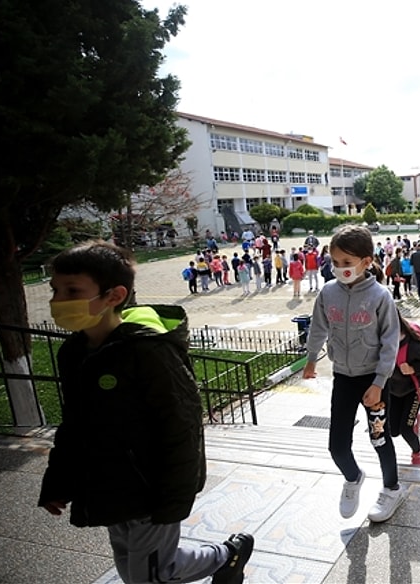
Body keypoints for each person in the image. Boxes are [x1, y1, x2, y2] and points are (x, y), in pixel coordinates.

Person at [38, 241, 254, 584]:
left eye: (72, 291)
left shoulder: (149, 352)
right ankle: (226, 556)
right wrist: (59, 480)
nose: (57, 301)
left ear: (114, 295)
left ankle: (226, 554)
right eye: (55, 290)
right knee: (133, 567)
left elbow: (182, 426)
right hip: (110, 487)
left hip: (153, 489)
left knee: (147, 576)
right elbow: (74, 423)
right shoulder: (74, 353)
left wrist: (174, 499)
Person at [303, 224, 405, 524]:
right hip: (343, 377)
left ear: (367, 260)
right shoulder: (327, 293)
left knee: (380, 439)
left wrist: (379, 382)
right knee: (336, 445)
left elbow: (390, 342)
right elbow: (319, 327)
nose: (340, 268)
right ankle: (353, 478)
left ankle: (391, 488)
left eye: (347, 263)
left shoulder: (380, 296)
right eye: (335, 263)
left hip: (373, 379)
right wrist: (311, 359)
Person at [388, 315, 420, 467]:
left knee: (406, 429)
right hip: (393, 390)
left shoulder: (412, 345)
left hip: (413, 390)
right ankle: (415, 418)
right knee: (392, 430)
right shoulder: (381, 341)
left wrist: (413, 369)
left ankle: (418, 451)